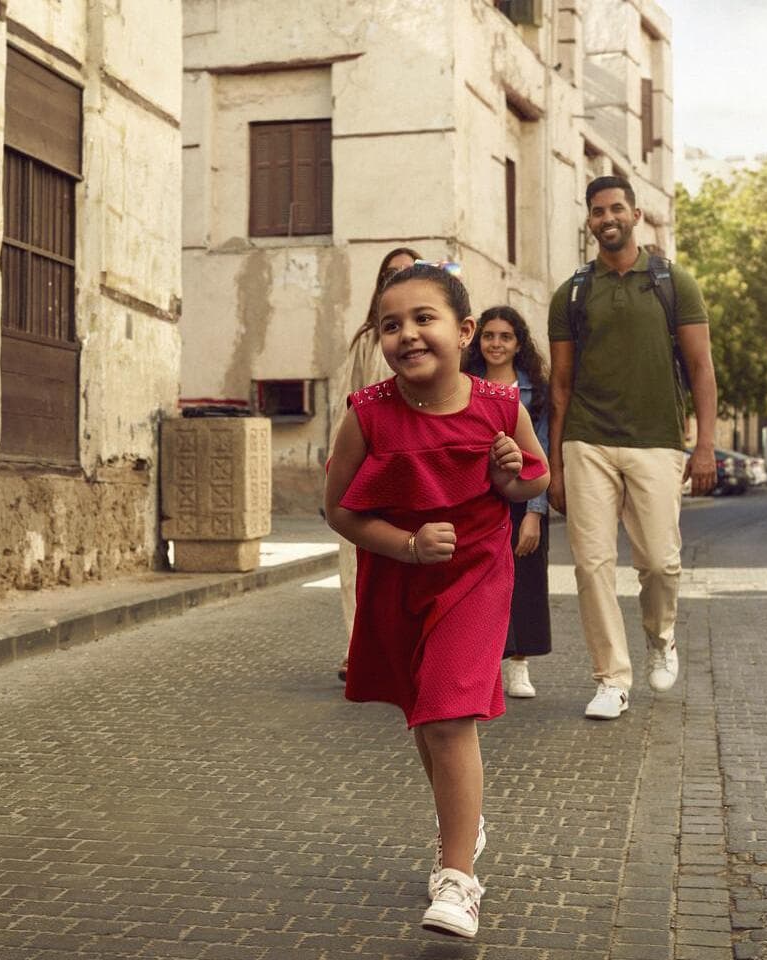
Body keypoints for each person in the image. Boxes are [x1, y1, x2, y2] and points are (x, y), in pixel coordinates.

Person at [325, 261, 549, 939]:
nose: (408, 335)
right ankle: (465, 820)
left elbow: (534, 477)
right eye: (391, 325)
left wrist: (509, 480)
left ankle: (457, 879)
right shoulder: (367, 414)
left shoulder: (500, 405)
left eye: (424, 318)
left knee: (449, 715)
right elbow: (338, 510)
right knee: (426, 717)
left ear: (465, 331)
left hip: (475, 575)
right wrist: (405, 545)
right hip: (399, 580)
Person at [547, 175, 718, 721]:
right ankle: (611, 679)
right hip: (587, 440)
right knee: (591, 565)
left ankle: (661, 638)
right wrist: (555, 467)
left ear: (635, 215)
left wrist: (705, 445)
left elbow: (701, 368)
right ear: (589, 221)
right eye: (598, 211)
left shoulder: (673, 282)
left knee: (661, 564)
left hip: (657, 441)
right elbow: (560, 386)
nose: (608, 219)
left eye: (616, 209)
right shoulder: (572, 293)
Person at [335, 247, 421, 682]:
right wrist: (338, 466)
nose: (399, 277)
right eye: (392, 272)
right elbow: (346, 406)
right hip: (367, 463)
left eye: (409, 271)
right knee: (356, 560)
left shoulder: (434, 337)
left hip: (417, 463)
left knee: (408, 556)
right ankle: (358, 651)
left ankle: (409, 649)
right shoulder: (367, 340)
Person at [464, 306, 552, 699]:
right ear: (477, 340)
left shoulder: (536, 391)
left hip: (525, 495)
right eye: (489, 335)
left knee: (525, 580)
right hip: (478, 496)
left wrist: (535, 513)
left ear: (519, 344)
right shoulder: (464, 384)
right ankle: (483, 668)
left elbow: (542, 452)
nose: (496, 344)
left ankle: (519, 665)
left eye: (505, 337)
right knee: (478, 585)